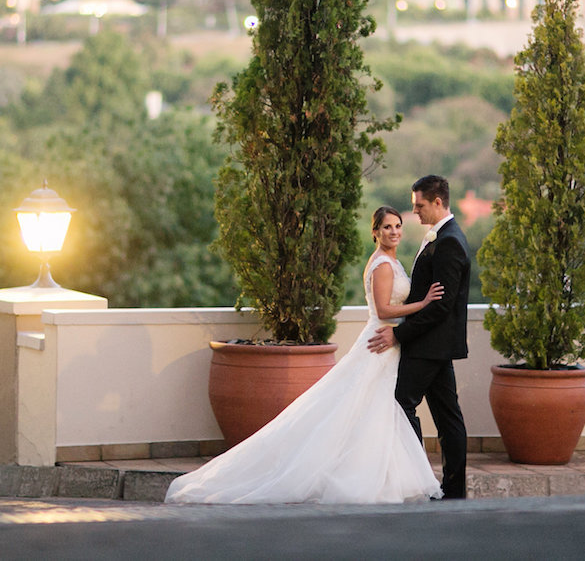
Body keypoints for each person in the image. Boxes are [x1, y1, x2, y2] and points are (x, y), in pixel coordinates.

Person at [165, 206, 445, 504]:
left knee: (375, 412)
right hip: (379, 342)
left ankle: (382, 476)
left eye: (398, 226)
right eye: (387, 227)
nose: (395, 232)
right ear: (375, 232)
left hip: (389, 344)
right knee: (362, 409)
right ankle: (358, 478)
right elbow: (385, 310)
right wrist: (424, 303)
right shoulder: (383, 265)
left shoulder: (390, 260)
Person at [367, 175, 470, 500]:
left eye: (419, 206)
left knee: (403, 403)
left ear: (437, 202)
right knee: (447, 415)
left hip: (429, 345)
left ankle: (423, 479)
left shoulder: (450, 241)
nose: (415, 213)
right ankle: (449, 490)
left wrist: (399, 334)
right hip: (433, 345)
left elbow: (441, 307)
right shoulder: (440, 237)